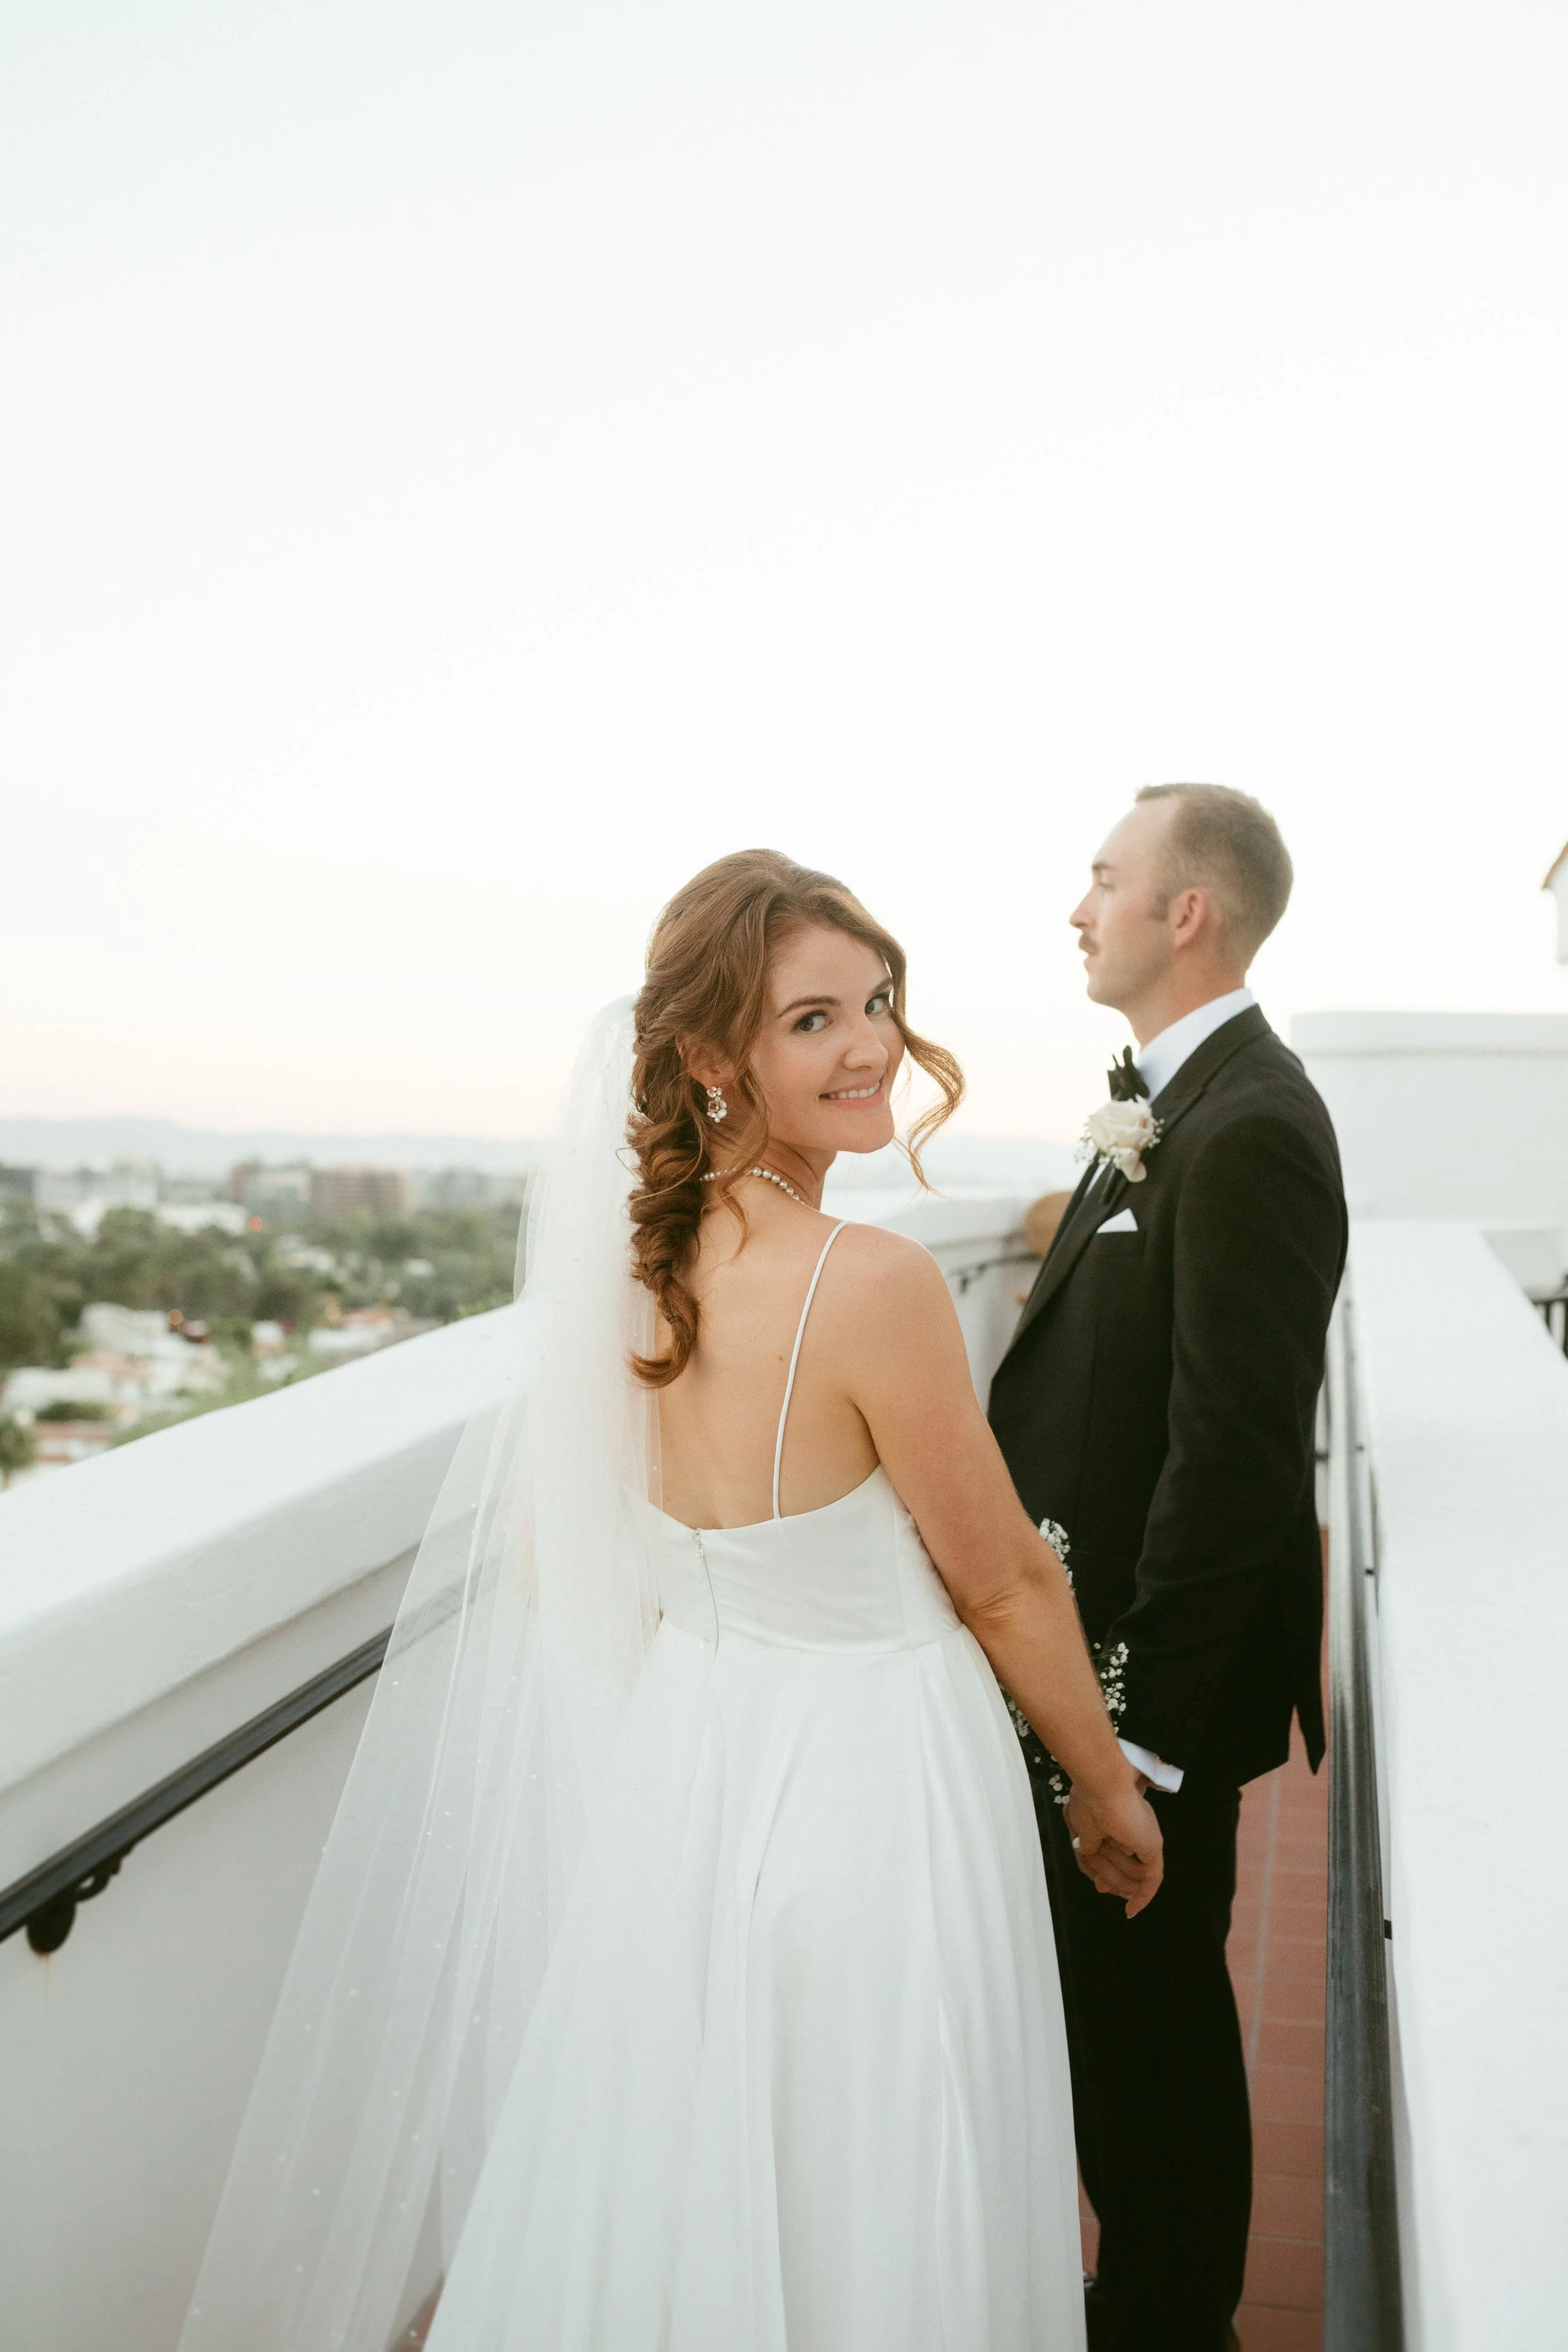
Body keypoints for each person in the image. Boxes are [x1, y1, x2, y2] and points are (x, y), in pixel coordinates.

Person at [179, 848, 1160, 2352]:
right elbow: (1004, 1580)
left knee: (699, 2170)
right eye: (810, 1021)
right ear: (710, 1057)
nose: (871, 1046)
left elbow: (554, 1555)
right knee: (879, 2169)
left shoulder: (633, 1271)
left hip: (693, 1775)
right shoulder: (868, 1281)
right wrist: (1104, 1786)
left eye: (878, 1002)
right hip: (873, 1788)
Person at [989, 786, 1347, 2352]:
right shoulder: (1177, 1108)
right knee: (1124, 2039)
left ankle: (1163, 2322)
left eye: (1103, 878)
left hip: (1153, 1695)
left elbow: (1238, 1463)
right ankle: (1146, 2295)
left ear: (1182, 912)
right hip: (1104, 1672)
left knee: (1152, 2051)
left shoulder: (1251, 1124)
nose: (1079, 908)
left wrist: (1127, 1739)